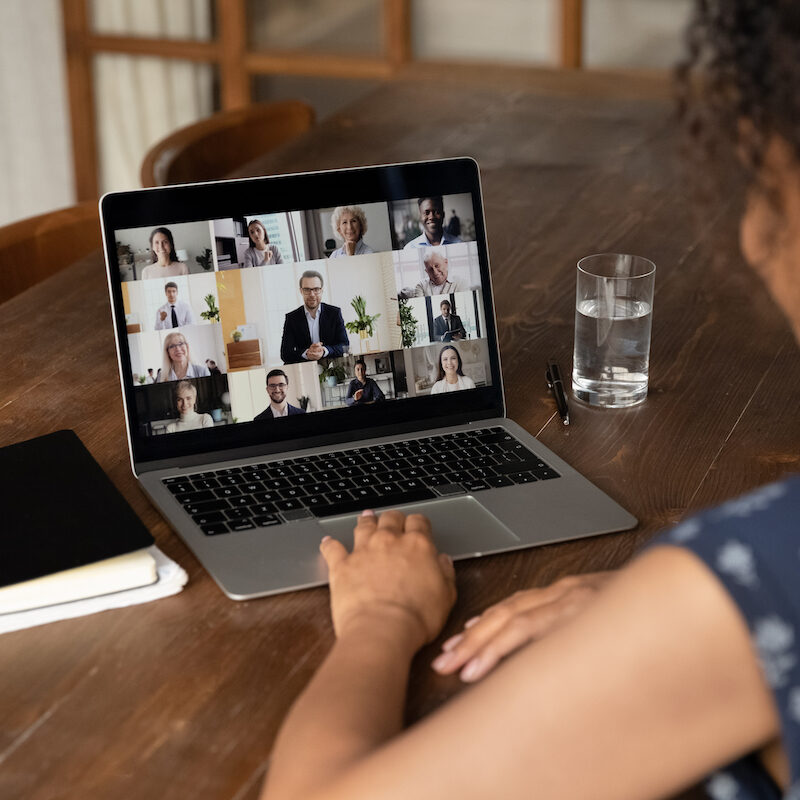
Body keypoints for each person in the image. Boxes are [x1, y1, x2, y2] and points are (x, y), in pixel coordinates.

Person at [260, 4, 800, 800]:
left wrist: (381, 621)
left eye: (762, 175)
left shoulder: (760, 574)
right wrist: (657, 611)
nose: (752, 226)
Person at [280, 270, 349, 364]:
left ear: (321, 290)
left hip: (332, 367)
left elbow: (344, 345)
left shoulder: (334, 313)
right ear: (301, 291)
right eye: (307, 290)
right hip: (305, 369)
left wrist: (324, 351)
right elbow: (285, 353)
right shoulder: (292, 318)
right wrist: (307, 353)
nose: (312, 294)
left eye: (316, 289)